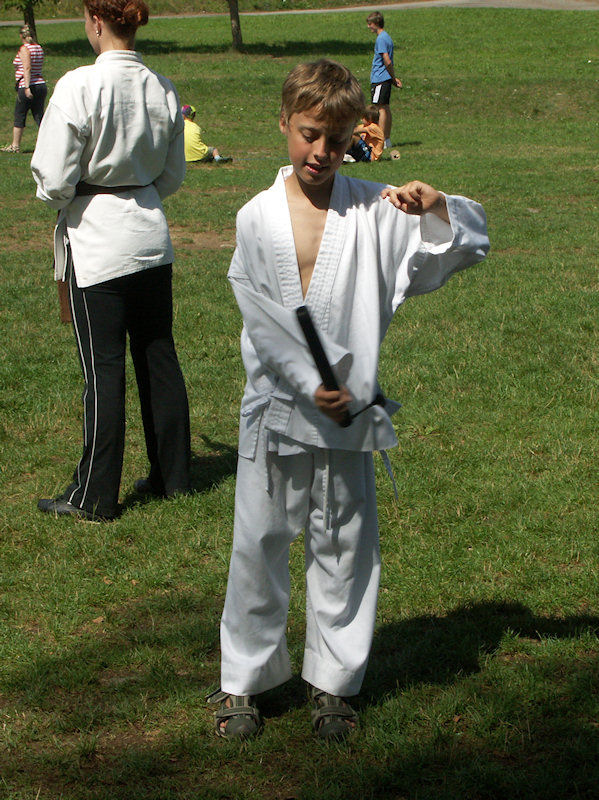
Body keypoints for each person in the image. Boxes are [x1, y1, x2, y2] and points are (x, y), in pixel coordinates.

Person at [210, 58, 489, 740]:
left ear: (355, 136)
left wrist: (436, 206)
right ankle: (243, 681)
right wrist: (309, 385)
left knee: (343, 546)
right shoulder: (256, 218)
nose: (320, 152)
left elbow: (467, 245)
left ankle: (333, 683)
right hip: (276, 409)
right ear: (284, 123)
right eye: (308, 134)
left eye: (336, 140)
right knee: (258, 545)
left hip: (349, 414)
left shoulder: (374, 209)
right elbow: (261, 324)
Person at [30, 0, 191, 521]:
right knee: (158, 357)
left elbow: (53, 180)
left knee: (103, 369)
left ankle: (95, 496)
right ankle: (173, 477)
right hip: (150, 237)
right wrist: (135, 191)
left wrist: (72, 195)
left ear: (96, 22)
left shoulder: (78, 85)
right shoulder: (161, 87)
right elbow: (172, 175)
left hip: (97, 242)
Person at [1, 24, 47, 153]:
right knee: (39, 115)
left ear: (21, 36)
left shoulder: (24, 49)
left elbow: (27, 68)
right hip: (40, 84)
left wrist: (27, 87)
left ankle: (15, 145)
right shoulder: (38, 48)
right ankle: (48, 142)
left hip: (27, 84)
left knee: (20, 114)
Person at [367, 10, 402, 150]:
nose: (368, 27)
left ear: (376, 23)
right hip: (385, 78)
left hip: (380, 78)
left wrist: (392, 77)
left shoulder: (381, 39)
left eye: (370, 24)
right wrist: (392, 78)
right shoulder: (387, 37)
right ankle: (386, 139)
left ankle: (380, 140)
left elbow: (387, 60)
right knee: (385, 108)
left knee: (379, 108)